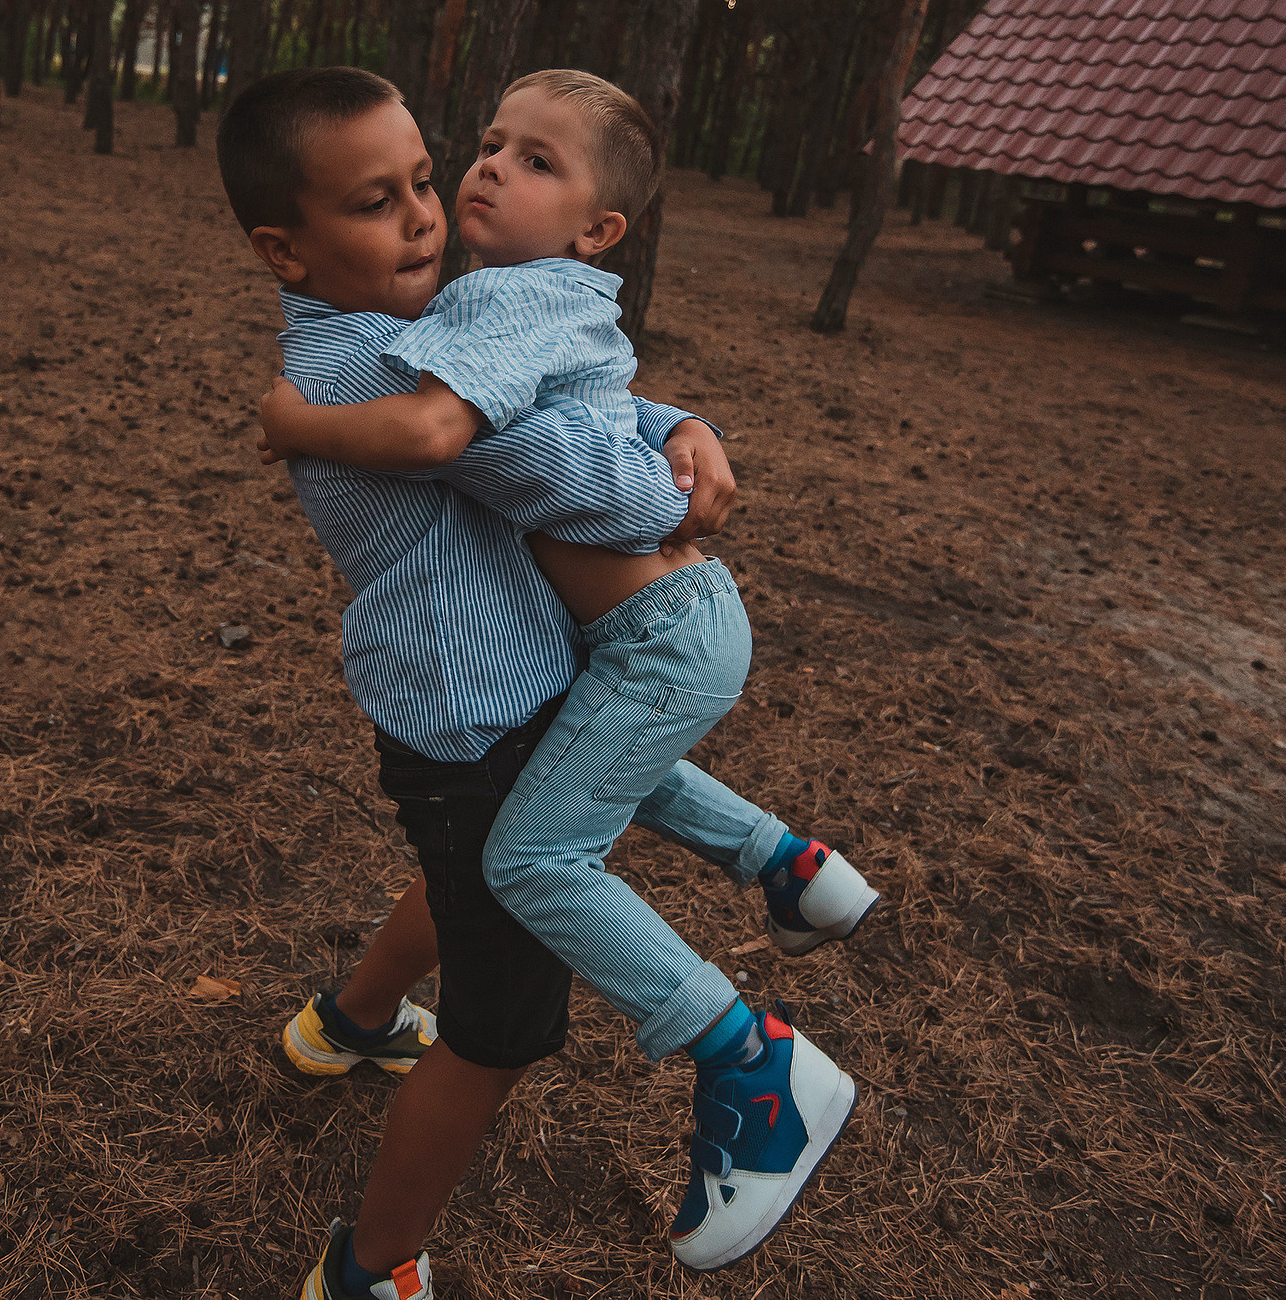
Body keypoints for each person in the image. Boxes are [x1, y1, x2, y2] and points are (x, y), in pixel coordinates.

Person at [218, 68, 858, 1297]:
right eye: (373, 200)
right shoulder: (380, 385)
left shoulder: (410, 331)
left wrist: (680, 417)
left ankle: (347, 1024)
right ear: (283, 247)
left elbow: (566, 394)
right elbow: (600, 492)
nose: (422, 213)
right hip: (475, 719)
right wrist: (670, 479)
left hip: (475, 706)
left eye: (421, 177)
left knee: (470, 864)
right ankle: (371, 1267)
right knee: (495, 1021)